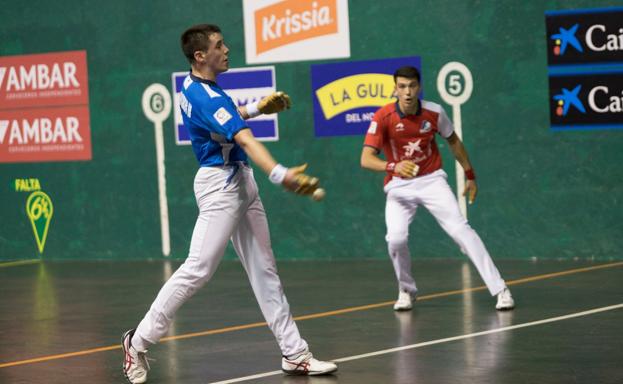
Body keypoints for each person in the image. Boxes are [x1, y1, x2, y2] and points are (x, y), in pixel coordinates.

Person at [121, 24, 337, 384]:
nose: (227, 49)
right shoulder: (209, 97)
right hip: (220, 185)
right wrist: (282, 174)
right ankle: (137, 341)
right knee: (198, 269)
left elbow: (221, 121)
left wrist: (256, 106)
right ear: (200, 55)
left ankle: (294, 353)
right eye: (219, 45)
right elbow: (245, 140)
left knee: (265, 270)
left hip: (240, 180)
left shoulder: (192, 86)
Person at [360, 65, 515, 312]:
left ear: (419, 87)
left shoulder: (434, 112)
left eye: (412, 86)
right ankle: (406, 289)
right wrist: (394, 166)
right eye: (402, 87)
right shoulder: (383, 117)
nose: (407, 92)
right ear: (395, 89)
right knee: (396, 239)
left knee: (461, 230)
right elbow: (366, 159)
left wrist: (470, 174)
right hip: (399, 185)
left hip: (432, 180)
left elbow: (453, 141)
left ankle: (500, 289)